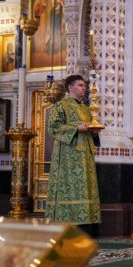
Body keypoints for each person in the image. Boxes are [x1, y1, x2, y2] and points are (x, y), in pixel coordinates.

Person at [46, 74, 101, 235]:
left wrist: (94, 133)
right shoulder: (60, 106)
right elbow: (53, 128)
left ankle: (87, 225)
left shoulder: (86, 109)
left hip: (86, 155)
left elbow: (90, 130)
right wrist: (76, 128)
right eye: (80, 85)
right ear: (70, 87)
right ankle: (66, 224)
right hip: (67, 156)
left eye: (84, 86)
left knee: (86, 188)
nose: (84, 88)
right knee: (69, 188)